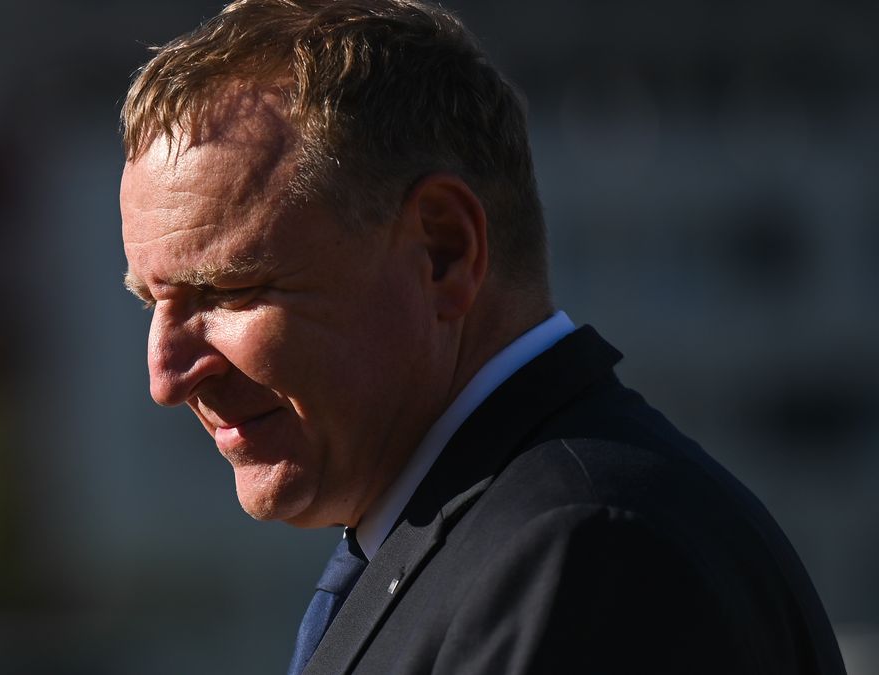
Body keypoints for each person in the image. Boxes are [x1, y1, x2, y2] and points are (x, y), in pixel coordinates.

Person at [117, 1, 846, 673]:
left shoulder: (583, 558)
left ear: (443, 251)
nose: (166, 376)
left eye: (227, 290)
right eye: (152, 300)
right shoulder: (488, 542)